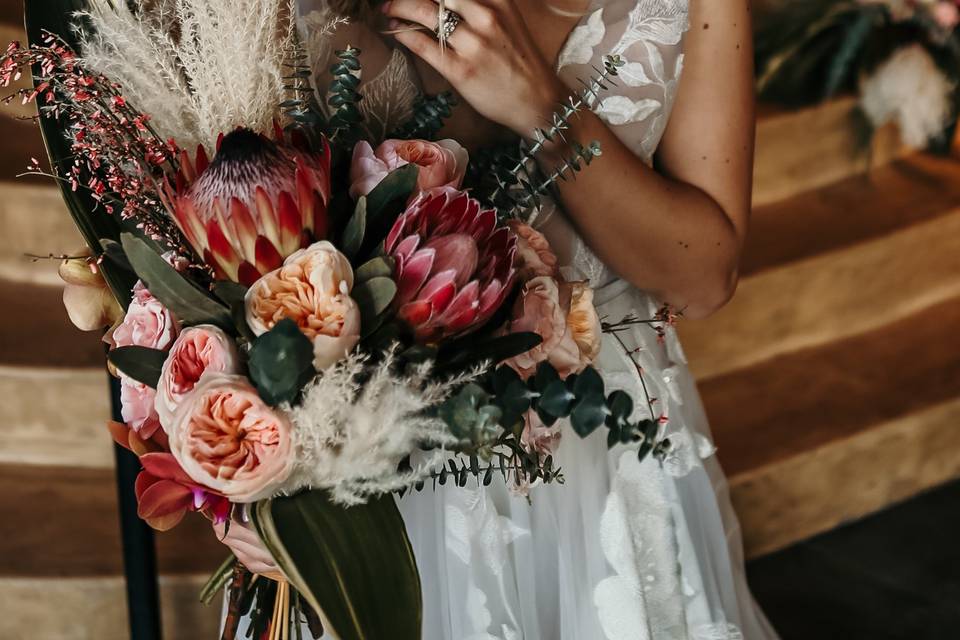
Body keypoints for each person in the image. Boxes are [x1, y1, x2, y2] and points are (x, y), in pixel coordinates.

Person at [218, 0, 779, 637]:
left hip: (595, 451)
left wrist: (543, 106)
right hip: (357, 479)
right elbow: (212, 230)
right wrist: (223, 466)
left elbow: (704, 281)